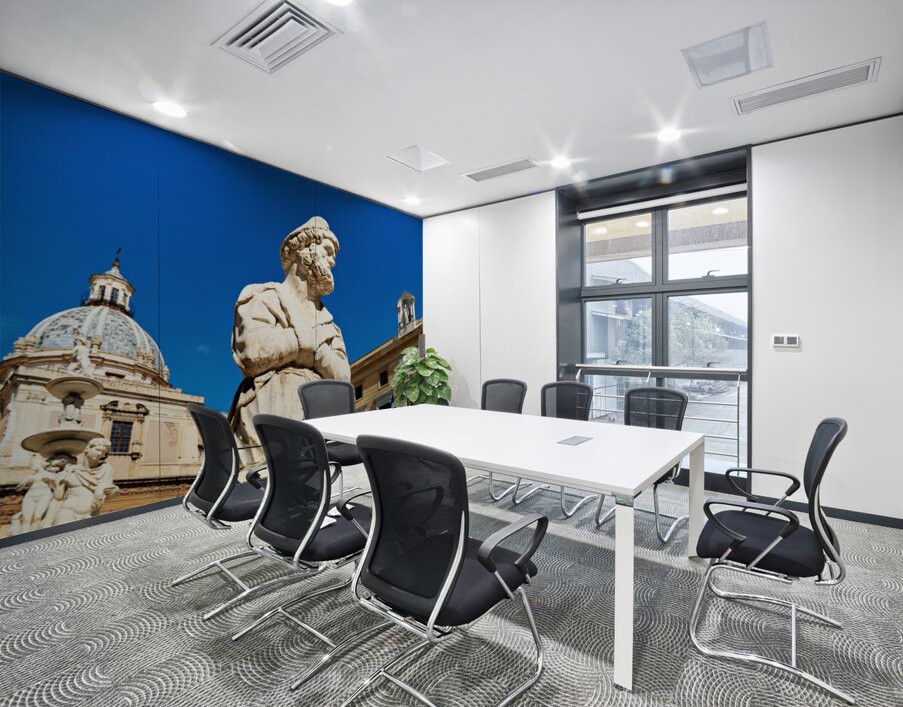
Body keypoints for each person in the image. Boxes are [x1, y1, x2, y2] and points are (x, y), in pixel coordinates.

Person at [229, 216, 350, 458]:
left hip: (318, 421)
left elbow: (343, 377)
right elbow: (252, 354)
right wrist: (306, 344)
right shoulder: (262, 297)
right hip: (270, 413)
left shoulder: (329, 322)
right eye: (327, 251)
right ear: (304, 252)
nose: (333, 261)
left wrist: (312, 351)